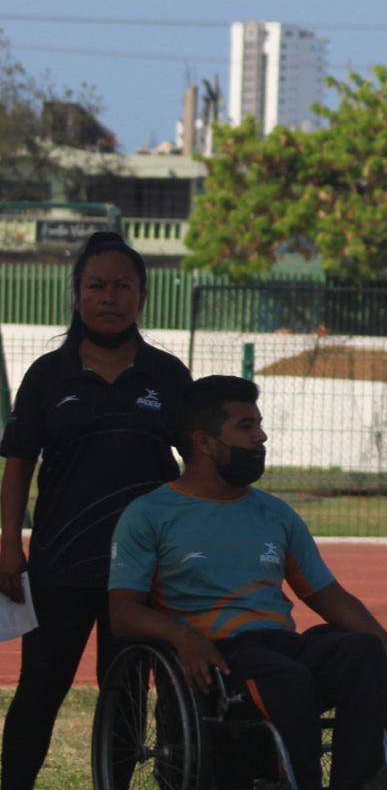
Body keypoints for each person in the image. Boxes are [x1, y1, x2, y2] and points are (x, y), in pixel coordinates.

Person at [108, 375, 387, 790]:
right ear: (205, 441)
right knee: (285, 676)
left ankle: (357, 782)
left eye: (259, 425)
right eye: (246, 426)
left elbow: (328, 595)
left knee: (361, 650)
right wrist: (182, 638)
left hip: (280, 646)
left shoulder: (275, 513)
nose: (261, 437)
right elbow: (123, 613)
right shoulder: (150, 514)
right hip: (218, 657)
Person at [0, 230, 193, 790]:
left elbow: (200, 463)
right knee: (39, 690)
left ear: (142, 297)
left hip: (142, 570)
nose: (109, 297)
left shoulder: (167, 375)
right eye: (97, 286)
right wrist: (9, 546)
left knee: (126, 693)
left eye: (122, 286)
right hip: (60, 563)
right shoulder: (47, 375)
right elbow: (18, 466)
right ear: (78, 294)